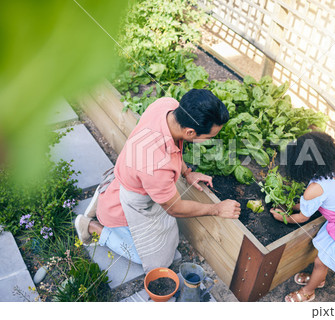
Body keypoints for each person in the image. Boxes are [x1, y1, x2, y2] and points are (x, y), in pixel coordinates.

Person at [75, 89, 241, 272]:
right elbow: (175, 208)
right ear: (191, 132)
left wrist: (187, 172)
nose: (212, 140)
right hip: (129, 204)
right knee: (157, 262)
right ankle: (92, 226)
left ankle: (103, 196)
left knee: (167, 239)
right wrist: (216, 209)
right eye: (209, 137)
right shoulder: (156, 165)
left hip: (130, 175)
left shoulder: (166, 106)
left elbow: (173, 150)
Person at [270, 131, 335, 302]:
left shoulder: (313, 189)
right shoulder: (332, 175)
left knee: (321, 261)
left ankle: (308, 291)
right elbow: (317, 203)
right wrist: (293, 206)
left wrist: (283, 217)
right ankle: (318, 278)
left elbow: (303, 218)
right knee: (324, 260)